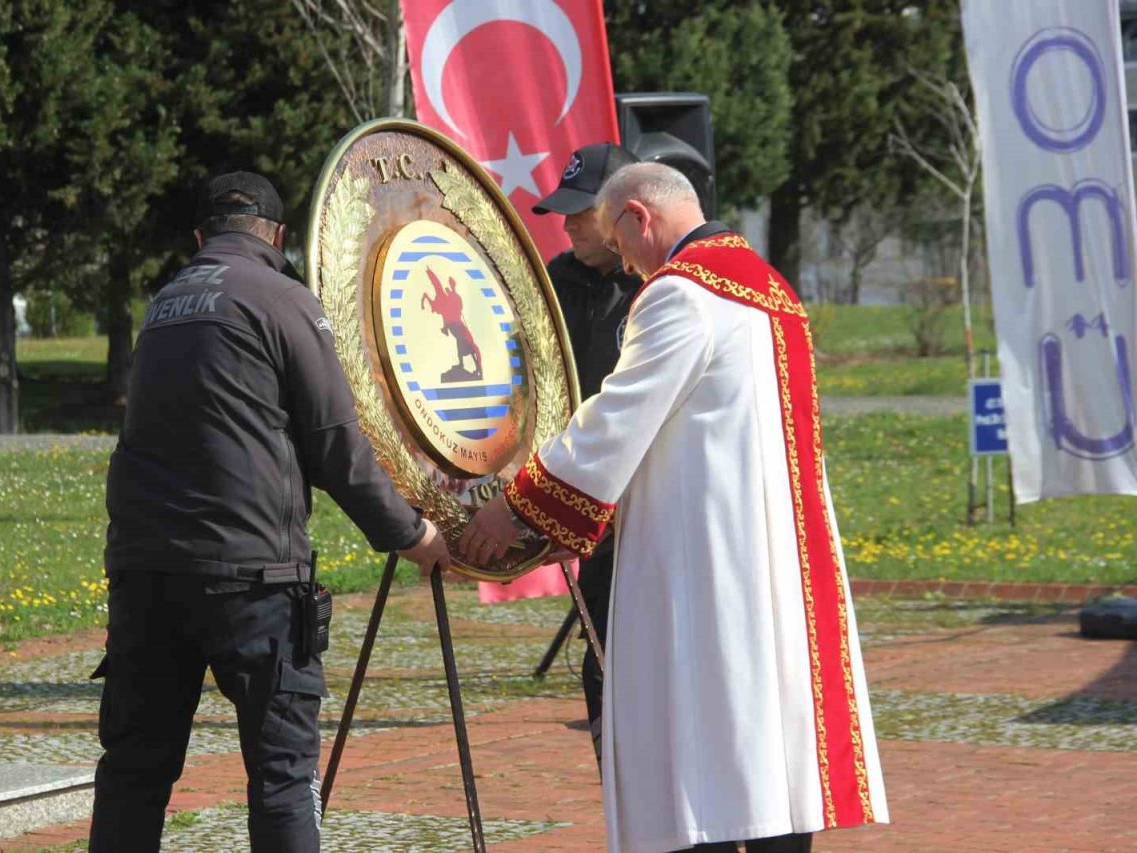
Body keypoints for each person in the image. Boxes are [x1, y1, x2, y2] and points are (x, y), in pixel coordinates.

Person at [459, 163, 888, 853]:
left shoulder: (679, 296)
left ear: (639, 215)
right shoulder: (774, 290)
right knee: (771, 754)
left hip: (708, 562)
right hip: (781, 558)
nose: (625, 262)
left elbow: (616, 420)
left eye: (618, 240)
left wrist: (514, 508)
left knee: (701, 759)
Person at [90, 171, 451, 852]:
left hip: (145, 576)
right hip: (252, 580)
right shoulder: (285, 301)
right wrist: (411, 533)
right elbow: (336, 446)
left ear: (200, 238)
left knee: (133, 773)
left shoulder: (161, 306)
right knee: (283, 778)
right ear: (279, 238)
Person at [529, 142, 642, 768]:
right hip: (585, 497)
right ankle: (617, 776)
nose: (567, 225)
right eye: (562, 213)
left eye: (580, 213)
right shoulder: (553, 281)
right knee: (601, 647)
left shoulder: (662, 285)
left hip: (651, 498)